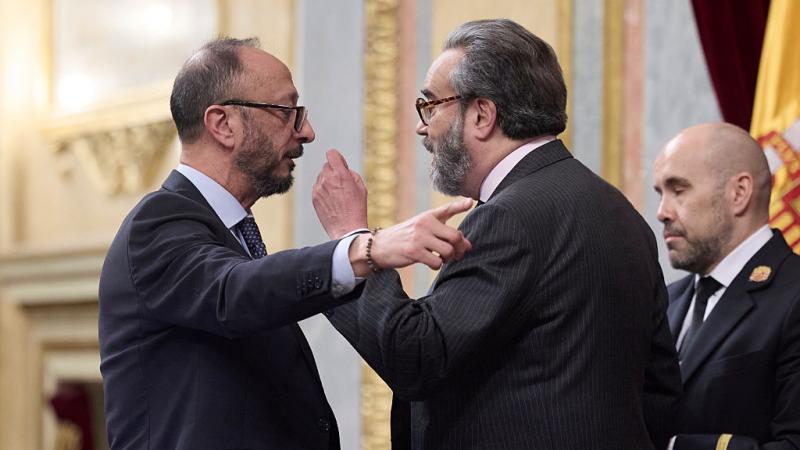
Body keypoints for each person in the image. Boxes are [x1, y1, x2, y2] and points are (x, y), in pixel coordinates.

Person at [312, 19, 681, 450]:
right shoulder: (620, 211)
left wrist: (356, 243)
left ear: (482, 115)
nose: (421, 127)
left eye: (431, 105)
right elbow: (659, 393)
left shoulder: (512, 217)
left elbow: (415, 356)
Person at [98, 37, 471, 450]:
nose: (306, 132)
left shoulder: (230, 233)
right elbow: (233, 291)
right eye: (285, 112)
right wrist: (364, 248)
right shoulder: (156, 223)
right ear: (223, 124)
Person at [653, 122, 800, 450]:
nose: (662, 212)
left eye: (678, 190)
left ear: (739, 193)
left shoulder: (793, 295)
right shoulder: (667, 300)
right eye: (660, 193)